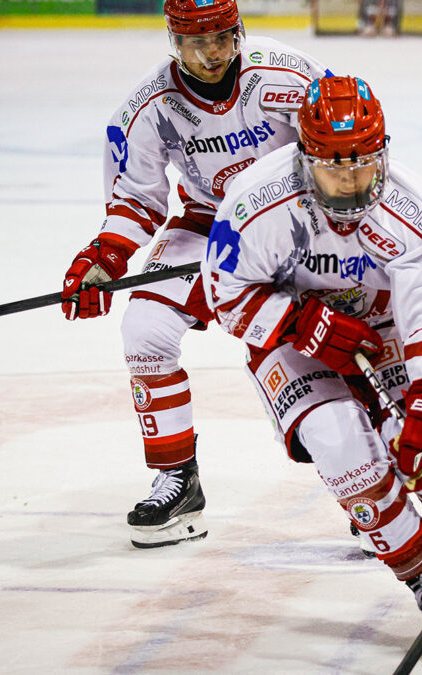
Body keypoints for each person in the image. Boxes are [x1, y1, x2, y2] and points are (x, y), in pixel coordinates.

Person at [201, 75, 422, 646]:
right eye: (334, 166)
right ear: (305, 158)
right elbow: (226, 294)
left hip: (384, 329)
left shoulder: (419, 212)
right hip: (290, 334)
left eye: (363, 163)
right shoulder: (255, 204)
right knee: (337, 438)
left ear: (384, 151)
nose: (352, 179)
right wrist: (301, 322)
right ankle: (421, 573)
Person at [60, 0, 330, 548]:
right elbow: (136, 196)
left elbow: (345, 159)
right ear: (173, 41)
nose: (212, 53)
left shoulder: (291, 77)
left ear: (239, 31)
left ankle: (368, 484)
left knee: (331, 342)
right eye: (196, 40)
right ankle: (177, 479)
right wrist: (104, 257)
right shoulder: (148, 105)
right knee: (144, 329)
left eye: (222, 37)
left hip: (298, 224)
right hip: (211, 224)